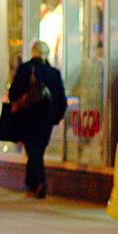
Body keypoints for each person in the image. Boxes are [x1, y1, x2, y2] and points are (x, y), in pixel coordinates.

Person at [8, 40, 68, 199]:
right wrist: (56, 118)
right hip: (46, 119)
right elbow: (61, 99)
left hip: (28, 117)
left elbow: (13, 94)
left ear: (33, 52)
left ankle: (37, 183)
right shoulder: (54, 73)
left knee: (33, 150)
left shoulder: (25, 69)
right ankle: (34, 184)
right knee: (37, 150)